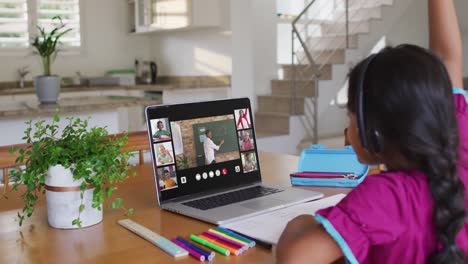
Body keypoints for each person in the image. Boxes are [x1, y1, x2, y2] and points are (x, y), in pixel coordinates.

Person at [276, 0, 468, 263]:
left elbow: (295, 259)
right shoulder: (459, 135)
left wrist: (300, 222)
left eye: (350, 114)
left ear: (372, 131)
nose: (347, 128)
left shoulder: (385, 196)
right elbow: (447, 58)